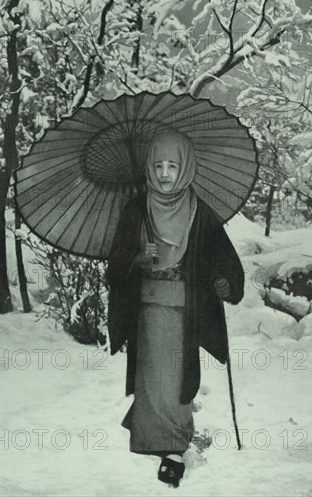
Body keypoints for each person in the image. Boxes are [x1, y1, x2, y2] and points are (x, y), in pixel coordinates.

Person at [106, 131, 244, 487]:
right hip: (148, 308)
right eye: (158, 166)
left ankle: (173, 436)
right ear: (150, 169)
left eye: (173, 166)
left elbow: (224, 259)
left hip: (186, 309)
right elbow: (115, 263)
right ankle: (161, 442)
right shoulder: (136, 208)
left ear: (186, 169)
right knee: (153, 377)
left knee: (178, 377)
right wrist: (136, 258)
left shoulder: (200, 211)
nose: (165, 174)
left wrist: (223, 281)